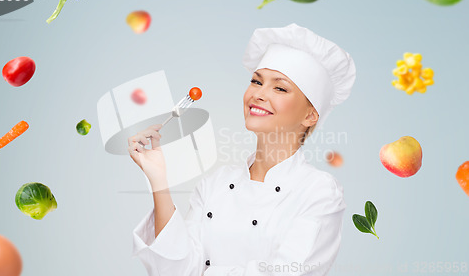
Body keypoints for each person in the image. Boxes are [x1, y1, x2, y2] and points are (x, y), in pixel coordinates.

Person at [128, 23, 356, 276]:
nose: (258, 94)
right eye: (256, 82)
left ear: (311, 115)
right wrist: (159, 180)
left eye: (279, 87)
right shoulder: (215, 184)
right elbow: (173, 270)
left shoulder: (320, 192)